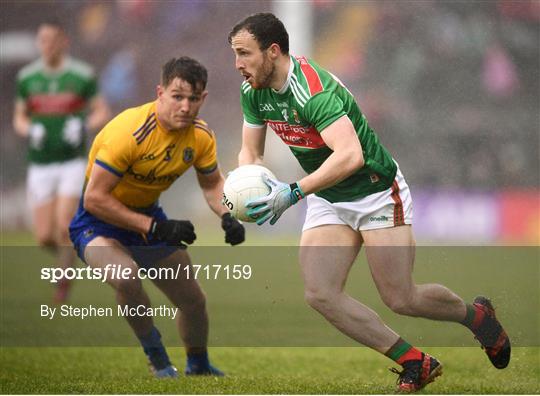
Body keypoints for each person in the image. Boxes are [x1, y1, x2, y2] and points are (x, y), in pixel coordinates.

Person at [228, 13, 510, 392]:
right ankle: (415, 362)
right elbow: (250, 152)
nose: (238, 65)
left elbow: (350, 156)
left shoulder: (314, 91)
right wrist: (250, 189)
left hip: (374, 191)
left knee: (401, 297)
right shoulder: (253, 91)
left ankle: (477, 318)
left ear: (273, 51)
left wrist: (293, 192)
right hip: (329, 196)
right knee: (320, 292)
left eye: (244, 54)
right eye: (235, 55)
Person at [69, 56, 245, 377]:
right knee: (125, 276)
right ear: (160, 93)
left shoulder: (201, 136)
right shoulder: (129, 132)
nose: (185, 107)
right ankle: (158, 359)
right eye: (177, 96)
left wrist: (227, 215)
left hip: (148, 218)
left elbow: (212, 185)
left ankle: (199, 365)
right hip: (97, 223)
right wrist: (154, 226)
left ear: (203, 98)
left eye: (193, 99)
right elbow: (95, 199)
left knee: (192, 300)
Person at [13, 20, 111, 303]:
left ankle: (63, 280)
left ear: (64, 42)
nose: (48, 45)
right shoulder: (27, 78)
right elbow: (19, 117)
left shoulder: (81, 76)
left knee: (64, 225)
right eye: (43, 40)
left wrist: (83, 126)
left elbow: (101, 111)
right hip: (41, 162)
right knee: (44, 236)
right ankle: (73, 257)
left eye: (53, 40)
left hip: (71, 161)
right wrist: (30, 129)